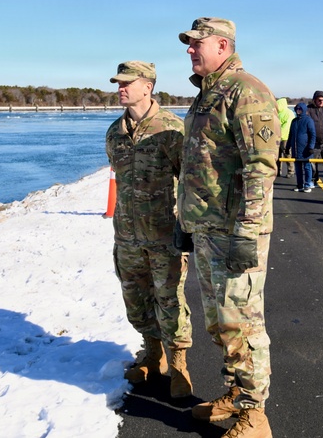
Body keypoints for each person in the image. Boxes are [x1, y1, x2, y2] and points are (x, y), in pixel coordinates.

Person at [177, 17, 278, 437]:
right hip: (207, 230)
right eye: (188, 44)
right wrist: (186, 220)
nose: (189, 50)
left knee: (242, 322)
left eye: (196, 43)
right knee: (220, 323)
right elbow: (196, 163)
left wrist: (248, 231)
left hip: (235, 230)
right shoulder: (206, 95)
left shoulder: (245, 90)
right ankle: (237, 393)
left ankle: (255, 414)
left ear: (222, 45)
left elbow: (260, 167)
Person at [104, 61, 193, 397]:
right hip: (126, 237)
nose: (121, 88)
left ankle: (179, 364)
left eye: (127, 82)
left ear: (148, 86)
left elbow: (189, 180)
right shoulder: (115, 132)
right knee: (136, 300)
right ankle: (153, 355)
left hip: (163, 236)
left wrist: (188, 227)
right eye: (118, 83)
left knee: (170, 302)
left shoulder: (171, 129)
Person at [287, 102, 316, 192]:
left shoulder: (308, 120)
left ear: (304, 110)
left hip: (305, 149)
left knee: (307, 167)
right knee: (298, 169)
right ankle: (300, 185)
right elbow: (291, 135)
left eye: (300, 109)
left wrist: (311, 147)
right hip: (296, 149)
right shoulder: (294, 121)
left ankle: (307, 185)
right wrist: (288, 146)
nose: (298, 111)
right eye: (297, 109)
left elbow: (312, 135)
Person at [275, 98, 295, 178]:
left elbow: (286, 127)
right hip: (277, 137)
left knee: (287, 155)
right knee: (277, 156)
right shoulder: (277, 113)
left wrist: (279, 135)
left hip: (285, 138)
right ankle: (277, 171)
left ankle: (291, 171)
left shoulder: (288, 113)